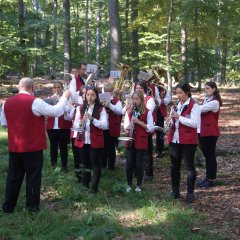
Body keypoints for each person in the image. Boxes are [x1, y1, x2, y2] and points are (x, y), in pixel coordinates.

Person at [0, 77, 71, 213]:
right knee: (33, 177)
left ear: (19, 87)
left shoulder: (6, 103)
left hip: (15, 146)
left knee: (13, 177)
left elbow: (4, 123)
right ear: (32, 88)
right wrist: (65, 97)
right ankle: (32, 208)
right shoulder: (35, 101)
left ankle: (8, 207)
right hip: (33, 147)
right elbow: (56, 111)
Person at [167, 81, 200, 203]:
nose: (178, 96)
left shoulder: (194, 106)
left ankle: (190, 193)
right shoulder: (176, 105)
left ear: (187, 92)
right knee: (174, 166)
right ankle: (175, 191)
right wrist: (170, 122)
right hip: (174, 140)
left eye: (180, 93)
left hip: (188, 141)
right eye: (176, 93)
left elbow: (194, 123)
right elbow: (174, 123)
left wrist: (179, 117)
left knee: (189, 167)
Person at [73, 86, 108, 193]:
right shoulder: (81, 108)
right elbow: (75, 123)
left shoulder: (101, 109)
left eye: (92, 95)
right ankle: (85, 184)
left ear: (96, 96)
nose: (90, 97)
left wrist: (92, 119)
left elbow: (104, 125)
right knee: (84, 163)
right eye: (88, 95)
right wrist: (80, 122)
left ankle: (94, 187)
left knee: (95, 164)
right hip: (83, 139)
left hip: (95, 140)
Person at [124, 90, 154, 192]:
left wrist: (139, 122)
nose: (135, 101)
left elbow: (150, 128)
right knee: (129, 164)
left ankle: (138, 185)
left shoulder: (147, 112)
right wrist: (128, 126)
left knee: (139, 164)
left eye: (137, 99)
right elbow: (125, 127)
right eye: (134, 99)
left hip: (140, 141)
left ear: (141, 100)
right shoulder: (129, 111)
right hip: (130, 140)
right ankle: (129, 184)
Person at [197, 81, 222, 187]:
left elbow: (199, 109)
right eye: (205, 88)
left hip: (210, 132)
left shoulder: (215, 102)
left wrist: (191, 102)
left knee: (210, 156)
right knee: (208, 156)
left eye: (208, 88)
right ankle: (208, 177)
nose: (205, 90)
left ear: (214, 89)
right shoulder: (207, 99)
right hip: (204, 131)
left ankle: (210, 179)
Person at [46, 81, 72, 172]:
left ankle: (64, 166)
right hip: (51, 126)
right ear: (53, 89)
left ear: (62, 88)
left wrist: (62, 102)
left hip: (63, 126)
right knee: (53, 146)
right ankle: (53, 164)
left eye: (58, 87)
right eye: (55, 87)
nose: (57, 89)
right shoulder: (49, 98)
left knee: (63, 147)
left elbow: (69, 110)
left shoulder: (67, 99)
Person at [135, 81, 156, 181]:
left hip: (146, 127)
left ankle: (149, 172)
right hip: (136, 128)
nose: (139, 89)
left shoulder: (150, 99)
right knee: (136, 151)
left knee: (147, 151)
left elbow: (148, 111)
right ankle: (138, 171)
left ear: (145, 89)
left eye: (141, 88)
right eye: (137, 88)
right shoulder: (134, 98)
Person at [101, 82, 122, 170]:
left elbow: (119, 111)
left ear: (112, 91)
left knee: (111, 148)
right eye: (106, 91)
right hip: (103, 126)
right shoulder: (101, 98)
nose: (107, 93)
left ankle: (111, 166)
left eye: (109, 91)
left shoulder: (117, 101)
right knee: (102, 148)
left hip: (112, 127)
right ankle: (102, 165)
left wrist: (110, 105)